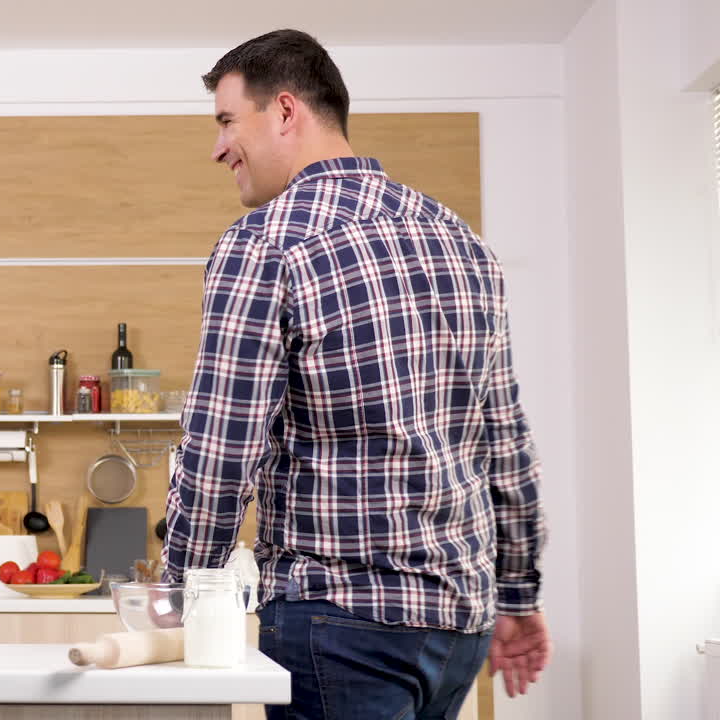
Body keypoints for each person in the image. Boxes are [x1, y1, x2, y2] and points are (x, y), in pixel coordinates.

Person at [162, 30, 550, 719]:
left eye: (226, 121)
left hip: (340, 627)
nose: (218, 148)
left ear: (285, 111)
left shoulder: (266, 243)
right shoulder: (461, 240)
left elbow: (223, 449)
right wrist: (517, 594)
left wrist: (180, 592)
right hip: (459, 622)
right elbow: (506, 439)